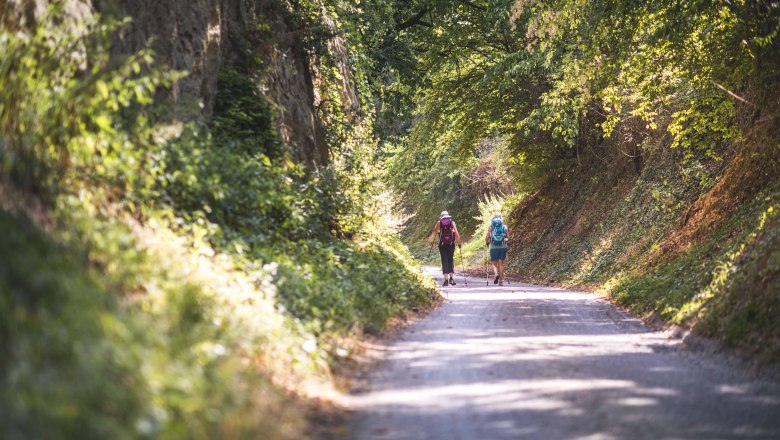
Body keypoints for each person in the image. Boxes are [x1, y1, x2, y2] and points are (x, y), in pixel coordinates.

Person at [428, 211, 462, 286]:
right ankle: (451, 279)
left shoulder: (439, 223)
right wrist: (459, 243)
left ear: (441, 217)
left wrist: (430, 240)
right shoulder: (452, 222)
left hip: (442, 244)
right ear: (448, 216)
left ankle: (446, 280)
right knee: (450, 259)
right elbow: (456, 233)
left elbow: (434, 232)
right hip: (451, 244)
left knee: (444, 260)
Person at [485, 212, 509, 286]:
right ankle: (501, 281)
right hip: (503, 246)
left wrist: (487, 242)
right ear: (501, 218)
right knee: (501, 263)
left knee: (493, 262)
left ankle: (496, 274)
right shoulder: (505, 227)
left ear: (494, 218)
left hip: (493, 246)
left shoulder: (491, 227)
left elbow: (487, 237)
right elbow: (508, 237)